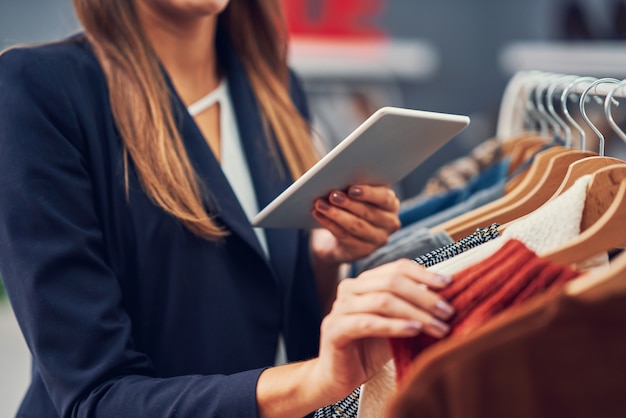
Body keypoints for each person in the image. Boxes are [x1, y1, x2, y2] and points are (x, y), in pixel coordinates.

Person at [0, 0, 455, 417]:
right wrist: (314, 382)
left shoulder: (273, 88)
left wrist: (325, 255)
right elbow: (94, 397)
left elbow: (270, 320)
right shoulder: (38, 90)